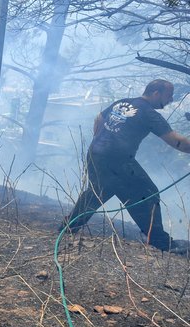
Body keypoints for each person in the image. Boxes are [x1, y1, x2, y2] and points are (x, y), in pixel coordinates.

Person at [64, 79, 190, 253]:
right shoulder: (149, 113)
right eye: (169, 96)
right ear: (156, 93)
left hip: (95, 153)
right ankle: (160, 242)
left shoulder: (123, 102)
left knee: (98, 192)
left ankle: (68, 227)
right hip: (118, 161)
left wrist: (100, 142)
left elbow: (99, 118)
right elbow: (177, 142)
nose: (171, 100)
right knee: (148, 193)